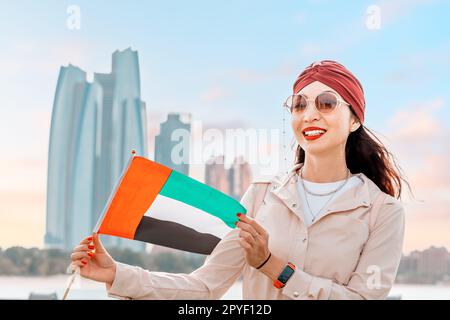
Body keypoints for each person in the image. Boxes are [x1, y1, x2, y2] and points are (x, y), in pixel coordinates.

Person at [70, 60, 410, 299]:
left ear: (354, 121)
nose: (309, 114)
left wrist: (272, 266)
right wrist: (117, 273)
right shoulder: (263, 197)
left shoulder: (383, 212)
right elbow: (205, 287)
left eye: (326, 103)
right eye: (298, 104)